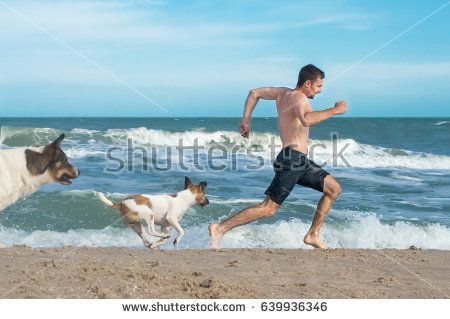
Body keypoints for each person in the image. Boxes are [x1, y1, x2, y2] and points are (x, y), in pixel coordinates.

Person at [209, 64, 347, 249]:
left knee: (333, 189)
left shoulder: (282, 93)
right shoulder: (300, 99)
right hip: (292, 161)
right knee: (268, 208)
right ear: (308, 83)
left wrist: (246, 120)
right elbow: (307, 119)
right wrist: (334, 110)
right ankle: (220, 228)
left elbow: (254, 93)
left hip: (297, 160)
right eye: (318, 86)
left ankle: (313, 235)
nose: (320, 90)